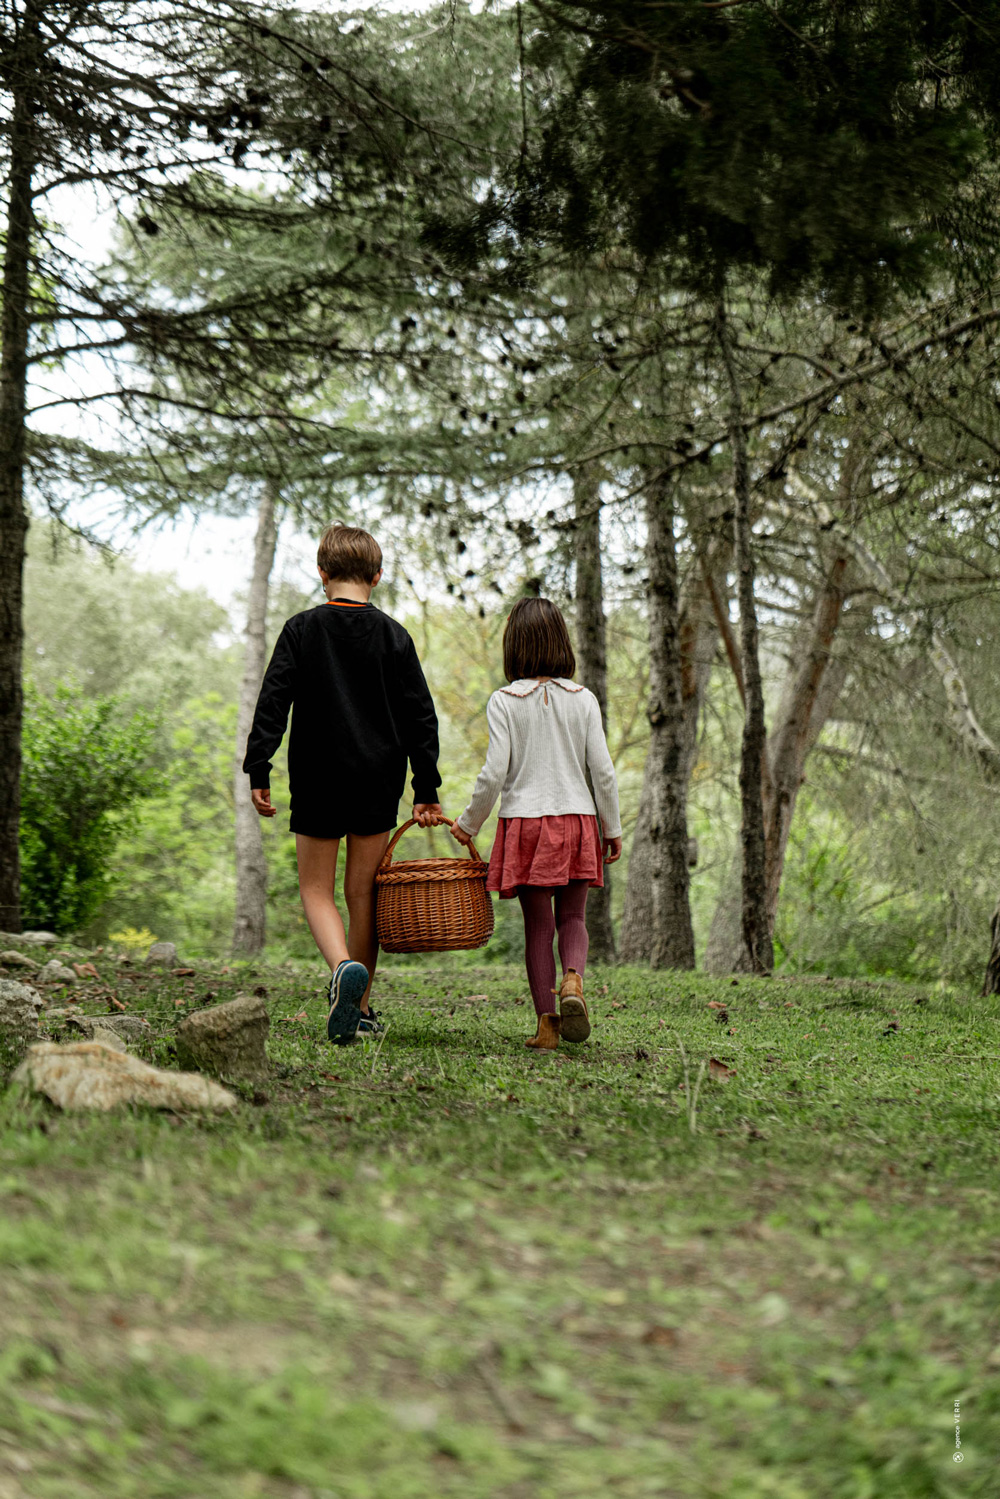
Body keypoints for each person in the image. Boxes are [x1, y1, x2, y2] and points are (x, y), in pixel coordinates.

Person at [243, 523, 443, 1045]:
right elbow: (421, 717)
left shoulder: (301, 629)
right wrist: (426, 787)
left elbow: (273, 701)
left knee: (316, 888)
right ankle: (362, 1008)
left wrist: (258, 766)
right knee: (364, 894)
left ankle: (339, 973)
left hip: (317, 775)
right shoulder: (395, 636)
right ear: (376, 576)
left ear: (322, 573)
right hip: (378, 777)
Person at [451, 597, 622, 1049]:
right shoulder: (583, 700)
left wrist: (469, 823)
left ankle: (547, 1027)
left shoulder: (505, 702)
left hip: (526, 823)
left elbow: (494, 773)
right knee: (573, 917)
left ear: (514, 645)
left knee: (538, 927)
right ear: (561, 642)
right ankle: (572, 981)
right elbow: (602, 771)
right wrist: (613, 827)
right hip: (579, 819)